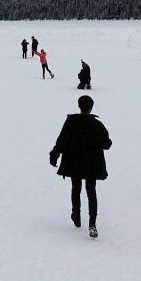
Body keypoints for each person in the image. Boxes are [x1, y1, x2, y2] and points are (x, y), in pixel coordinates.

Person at [49, 95, 111, 239]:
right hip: (92, 164)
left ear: (79, 106)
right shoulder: (97, 125)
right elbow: (107, 144)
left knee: (75, 188)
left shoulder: (71, 122)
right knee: (91, 192)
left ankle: (76, 215)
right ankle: (92, 224)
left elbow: (62, 140)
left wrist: (54, 155)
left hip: (74, 162)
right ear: (91, 107)